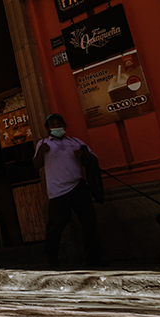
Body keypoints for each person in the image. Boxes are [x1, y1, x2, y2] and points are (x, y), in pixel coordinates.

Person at [33, 113, 102, 267]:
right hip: (57, 190)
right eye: (52, 124)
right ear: (47, 128)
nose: (56, 126)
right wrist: (41, 152)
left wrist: (84, 155)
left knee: (89, 222)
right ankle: (52, 256)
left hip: (78, 186)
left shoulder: (75, 142)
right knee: (56, 225)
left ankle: (93, 259)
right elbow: (36, 165)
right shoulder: (43, 143)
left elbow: (94, 158)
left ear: (64, 126)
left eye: (59, 123)